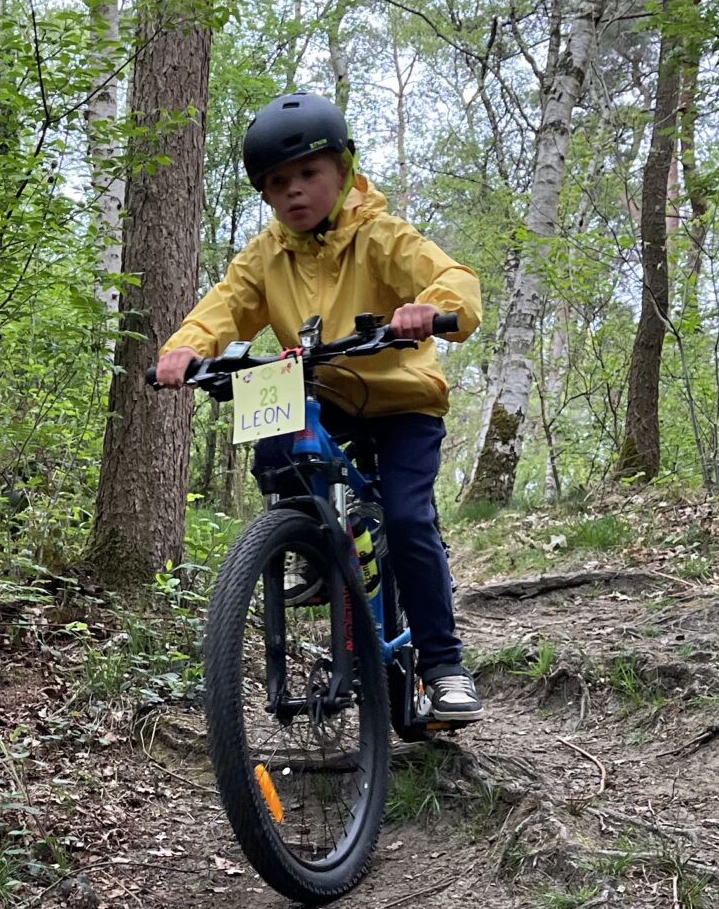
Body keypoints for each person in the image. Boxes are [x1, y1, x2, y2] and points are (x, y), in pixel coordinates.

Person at [154, 91, 483, 726]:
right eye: (278, 183)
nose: (294, 191)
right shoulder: (265, 255)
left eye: (309, 173)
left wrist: (431, 306)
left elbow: (451, 277)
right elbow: (224, 306)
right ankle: (305, 540)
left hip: (401, 400)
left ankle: (444, 666)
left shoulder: (380, 236)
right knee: (274, 424)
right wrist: (185, 349)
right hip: (322, 393)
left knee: (407, 517)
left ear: (343, 170)